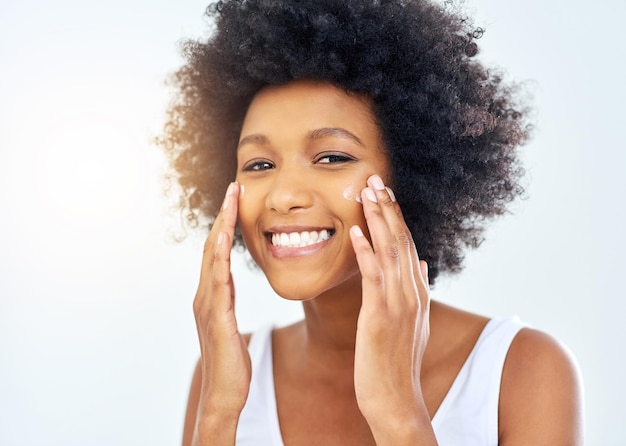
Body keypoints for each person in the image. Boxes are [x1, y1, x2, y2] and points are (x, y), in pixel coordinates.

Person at [159, 0, 584, 444]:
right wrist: (219, 415)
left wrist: (397, 411)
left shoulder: (522, 371)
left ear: (411, 169)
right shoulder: (224, 374)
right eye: (259, 165)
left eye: (332, 157)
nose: (283, 197)